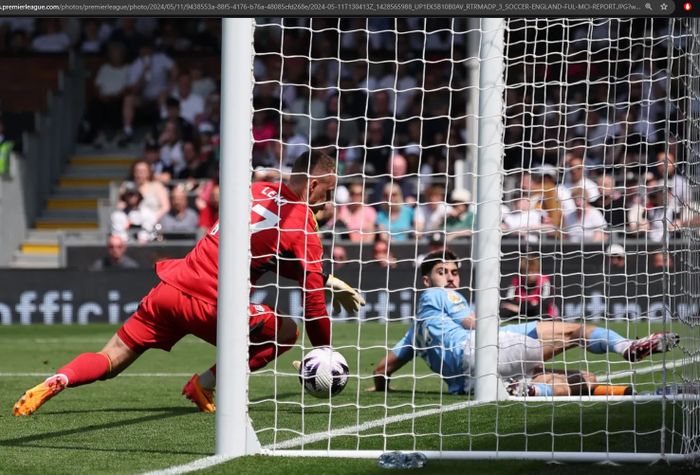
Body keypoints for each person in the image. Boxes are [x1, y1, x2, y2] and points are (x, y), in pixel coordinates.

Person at [13, 151, 365, 416]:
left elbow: (260, 253)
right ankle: (204, 384)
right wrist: (324, 352)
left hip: (169, 289)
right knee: (288, 331)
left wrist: (326, 277)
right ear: (314, 184)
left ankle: (58, 380)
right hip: (212, 304)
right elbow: (313, 300)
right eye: (328, 193)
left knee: (109, 360)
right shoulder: (300, 221)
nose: (327, 202)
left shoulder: (256, 188)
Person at [370, 249, 679, 397]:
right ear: (427, 280)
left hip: (469, 383)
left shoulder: (414, 331)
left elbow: (381, 370)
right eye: (442, 272)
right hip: (479, 348)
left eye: (454, 272)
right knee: (575, 331)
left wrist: (381, 388)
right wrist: (487, 317)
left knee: (580, 378)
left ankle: (528, 390)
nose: (450, 277)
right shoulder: (437, 295)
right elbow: (470, 322)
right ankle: (628, 347)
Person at [500, 252, 559, 321]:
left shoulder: (545, 281)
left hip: (537, 310)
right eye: (527, 271)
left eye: (533, 271)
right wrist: (524, 306)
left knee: (540, 311)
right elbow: (509, 299)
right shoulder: (516, 281)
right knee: (503, 309)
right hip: (519, 309)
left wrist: (522, 308)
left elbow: (545, 302)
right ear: (522, 272)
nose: (530, 275)